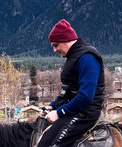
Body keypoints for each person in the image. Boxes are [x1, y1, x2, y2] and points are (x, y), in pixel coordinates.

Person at [37, 19, 105, 147]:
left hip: (85, 113)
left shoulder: (87, 58)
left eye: (55, 45)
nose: (54, 50)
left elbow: (85, 96)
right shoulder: (74, 56)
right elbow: (68, 91)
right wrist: (53, 106)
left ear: (65, 40)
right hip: (75, 110)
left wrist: (59, 112)